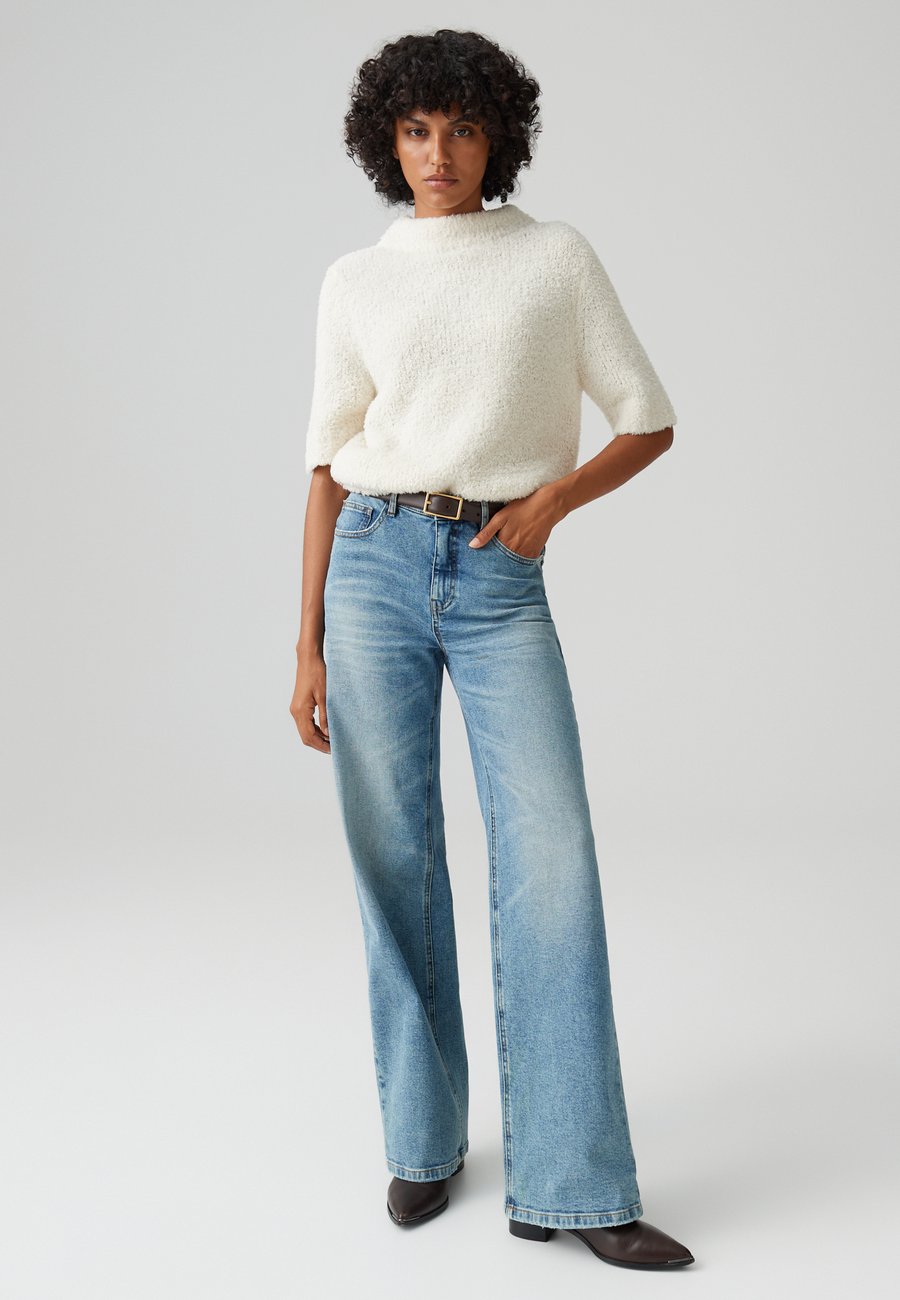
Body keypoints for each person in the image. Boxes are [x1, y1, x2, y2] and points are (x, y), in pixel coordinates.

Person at [290, 28, 695, 1270]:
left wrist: (552, 501)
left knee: (550, 858)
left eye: (462, 128)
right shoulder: (355, 281)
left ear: (497, 138)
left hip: (497, 577)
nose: (439, 153)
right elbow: (326, 463)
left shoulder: (553, 259)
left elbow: (648, 418)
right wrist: (303, 641)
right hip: (370, 566)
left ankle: (574, 1180)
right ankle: (422, 1141)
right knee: (393, 855)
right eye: (417, 129)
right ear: (387, 141)